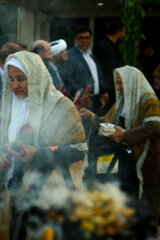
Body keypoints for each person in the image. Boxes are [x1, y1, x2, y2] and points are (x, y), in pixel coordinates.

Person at [0, 51, 87, 238]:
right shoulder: (9, 104)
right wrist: (1, 156)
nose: (14, 86)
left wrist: (39, 153)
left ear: (35, 76)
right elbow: (2, 142)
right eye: (11, 79)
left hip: (48, 198)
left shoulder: (61, 106)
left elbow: (79, 149)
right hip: (14, 193)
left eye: (21, 79)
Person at [80, 66, 160, 220]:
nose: (118, 88)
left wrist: (125, 135)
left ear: (132, 82)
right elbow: (109, 126)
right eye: (116, 83)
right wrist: (93, 118)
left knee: (147, 207)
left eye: (121, 83)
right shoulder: (121, 103)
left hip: (145, 160)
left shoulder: (149, 101)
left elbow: (155, 126)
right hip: (125, 161)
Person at [62, 25, 104, 113]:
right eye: (81, 38)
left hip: (96, 101)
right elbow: (68, 79)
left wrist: (101, 95)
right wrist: (82, 96)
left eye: (87, 38)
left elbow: (97, 77)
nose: (84, 40)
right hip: (81, 102)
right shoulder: (69, 56)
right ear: (75, 40)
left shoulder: (90, 56)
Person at [93, 20, 126, 109]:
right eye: (123, 32)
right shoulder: (101, 46)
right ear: (118, 32)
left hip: (116, 90)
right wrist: (104, 91)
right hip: (107, 92)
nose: (124, 35)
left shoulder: (115, 48)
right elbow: (99, 70)